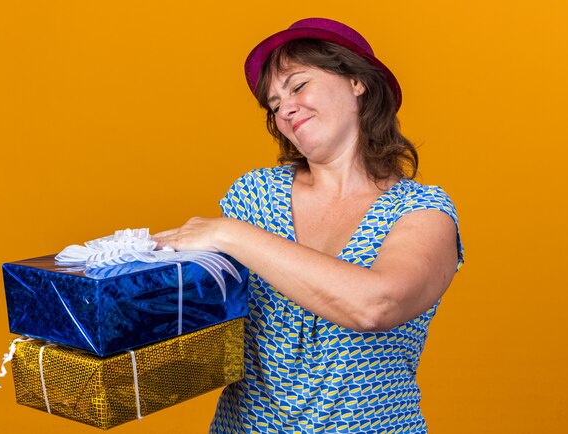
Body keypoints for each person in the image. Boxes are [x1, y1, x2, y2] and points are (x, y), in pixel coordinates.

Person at [153, 17, 464, 434]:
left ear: (357, 80)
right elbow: (192, 315)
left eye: (298, 86)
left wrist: (230, 234)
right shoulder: (254, 195)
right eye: (275, 104)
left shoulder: (423, 211)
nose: (286, 109)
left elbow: (377, 305)